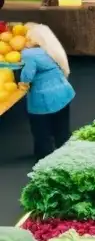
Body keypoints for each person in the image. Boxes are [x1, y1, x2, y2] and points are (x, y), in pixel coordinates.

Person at [19, 24, 75, 159]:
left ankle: (44, 156)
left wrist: (21, 84)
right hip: (63, 92)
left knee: (40, 129)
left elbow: (27, 76)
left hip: (43, 97)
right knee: (62, 128)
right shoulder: (52, 49)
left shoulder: (29, 54)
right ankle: (67, 155)